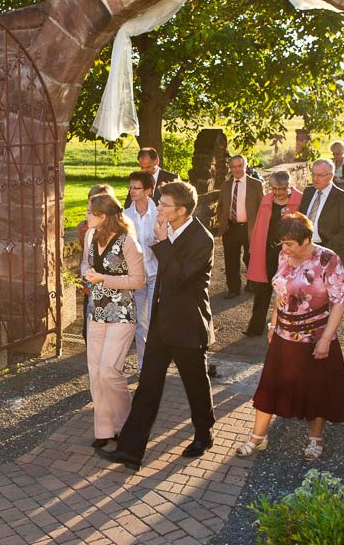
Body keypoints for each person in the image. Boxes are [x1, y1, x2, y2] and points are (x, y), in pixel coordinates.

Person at [97, 180, 216, 471]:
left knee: (196, 385)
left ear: (183, 210)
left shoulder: (202, 239)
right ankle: (130, 451)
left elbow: (179, 278)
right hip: (162, 325)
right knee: (148, 386)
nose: (159, 207)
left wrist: (163, 244)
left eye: (164, 205)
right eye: (160, 202)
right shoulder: (168, 229)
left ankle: (204, 434)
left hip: (188, 326)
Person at [235, 213, 344, 461]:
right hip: (284, 334)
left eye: (290, 243)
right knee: (270, 385)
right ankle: (258, 438)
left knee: (316, 389)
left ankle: (315, 438)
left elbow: (339, 302)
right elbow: (280, 292)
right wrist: (273, 322)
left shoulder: (327, 260)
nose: (285, 248)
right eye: (283, 242)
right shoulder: (284, 255)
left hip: (315, 338)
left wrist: (325, 340)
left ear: (306, 240)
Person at [80, 193, 145, 448]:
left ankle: (127, 424)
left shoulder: (128, 242)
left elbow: (139, 281)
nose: (86, 215)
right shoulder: (89, 235)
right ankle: (104, 430)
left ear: (103, 216)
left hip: (122, 313)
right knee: (96, 372)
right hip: (96, 311)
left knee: (109, 370)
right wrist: (87, 273)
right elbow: (86, 263)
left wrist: (104, 279)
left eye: (89, 212)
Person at [244, 171, 303, 336]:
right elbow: (258, 227)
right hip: (267, 251)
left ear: (289, 186)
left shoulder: (300, 200)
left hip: (289, 253)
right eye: (274, 188)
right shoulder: (266, 200)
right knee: (262, 289)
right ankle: (255, 328)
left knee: (288, 290)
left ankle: (287, 328)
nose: (277, 192)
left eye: (281, 189)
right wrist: (252, 249)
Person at [124, 170, 158, 370]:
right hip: (136, 278)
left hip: (155, 275)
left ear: (148, 191)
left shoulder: (159, 214)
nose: (132, 191)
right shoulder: (126, 216)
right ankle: (143, 365)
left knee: (155, 323)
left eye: (136, 188)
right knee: (140, 324)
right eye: (130, 187)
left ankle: (156, 364)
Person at [217, 155, 263, 298]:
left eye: (239, 166)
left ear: (245, 166)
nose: (237, 169)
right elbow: (220, 207)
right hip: (230, 227)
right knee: (231, 260)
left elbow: (262, 207)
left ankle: (253, 284)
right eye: (233, 167)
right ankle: (233, 289)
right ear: (230, 169)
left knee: (250, 258)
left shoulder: (256, 184)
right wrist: (222, 221)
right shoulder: (225, 185)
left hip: (249, 227)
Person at [298, 159, 344, 272]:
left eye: (320, 175)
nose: (315, 179)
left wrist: (323, 251)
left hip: (331, 254)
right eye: (313, 174)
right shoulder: (308, 192)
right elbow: (300, 220)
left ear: (331, 176)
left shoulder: (343, 199)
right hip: (306, 253)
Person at [78, 184, 116, 341]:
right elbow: (85, 258)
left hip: (112, 289)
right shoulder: (84, 229)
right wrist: (85, 273)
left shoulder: (120, 234)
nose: (88, 214)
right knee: (89, 331)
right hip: (91, 287)